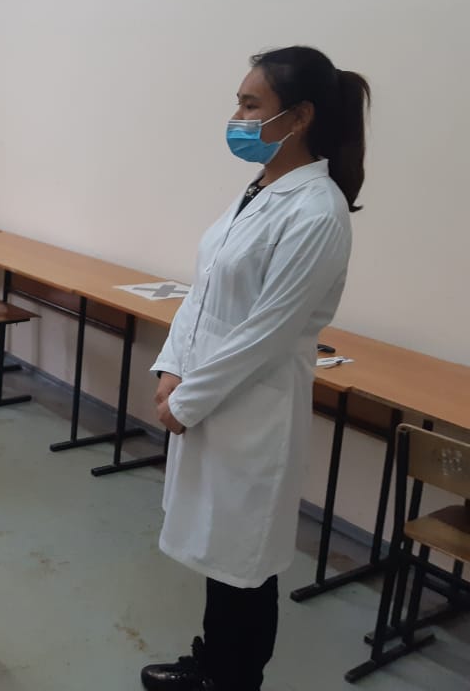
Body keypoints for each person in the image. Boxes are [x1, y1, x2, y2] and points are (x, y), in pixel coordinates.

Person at [141, 46, 369, 691]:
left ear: (299, 116)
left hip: (253, 409)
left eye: (250, 105)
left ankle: (234, 678)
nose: (237, 118)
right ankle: (212, 662)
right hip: (211, 396)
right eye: (238, 103)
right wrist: (171, 367)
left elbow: (266, 333)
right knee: (220, 551)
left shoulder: (317, 211)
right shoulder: (260, 189)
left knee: (245, 560)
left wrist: (187, 401)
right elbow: (205, 288)